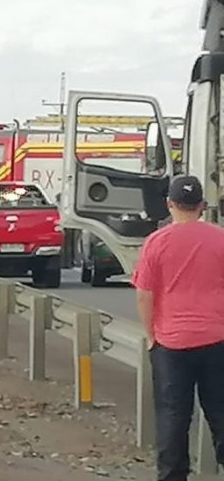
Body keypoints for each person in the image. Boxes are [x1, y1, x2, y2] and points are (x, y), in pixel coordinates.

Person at [132, 175, 224, 481]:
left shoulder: (156, 242)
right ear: (202, 206)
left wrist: (151, 336)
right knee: (222, 416)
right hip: (217, 340)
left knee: (173, 419)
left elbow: (145, 294)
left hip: (171, 344)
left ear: (169, 204)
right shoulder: (220, 239)